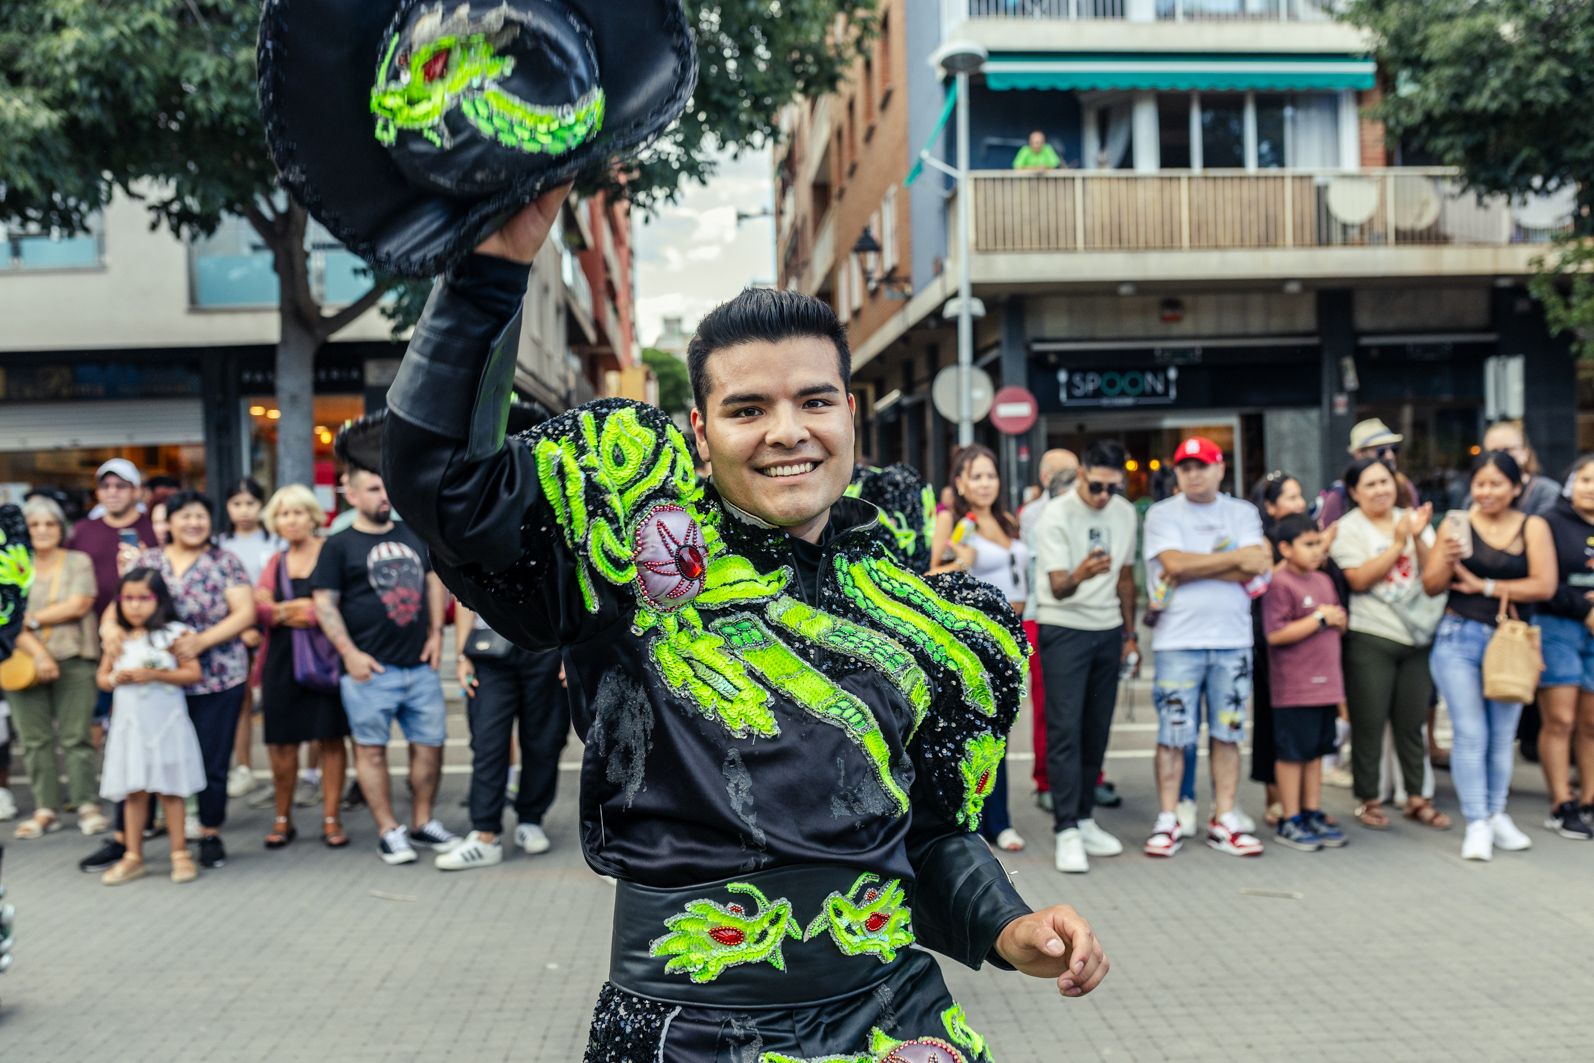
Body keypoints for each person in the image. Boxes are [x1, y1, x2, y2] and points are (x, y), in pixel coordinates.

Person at [380, 189, 1107, 1059]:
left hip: (896, 1020)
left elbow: (930, 832)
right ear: (700, 429)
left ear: (849, 412)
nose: (787, 432)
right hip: (692, 1036)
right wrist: (489, 267)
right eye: (748, 408)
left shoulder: (920, 611)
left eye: (814, 401)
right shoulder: (626, 551)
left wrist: (1009, 924)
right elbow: (444, 487)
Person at [311, 466, 457, 865]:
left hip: (418, 667)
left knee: (430, 747)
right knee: (371, 752)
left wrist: (435, 637)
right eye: (374, 489)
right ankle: (388, 830)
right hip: (369, 672)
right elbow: (324, 602)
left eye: (386, 488)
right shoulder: (338, 545)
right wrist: (349, 654)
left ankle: (422, 821)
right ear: (352, 496)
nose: (383, 496)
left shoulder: (412, 532)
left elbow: (432, 581)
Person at [102, 491, 255, 871]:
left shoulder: (225, 562)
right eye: (184, 516)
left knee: (210, 759)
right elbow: (120, 602)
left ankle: (208, 832)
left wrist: (203, 641)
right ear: (168, 522)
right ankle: (128, 840)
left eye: (201, 515)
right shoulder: (150, 561)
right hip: (156, 688)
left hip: (216, 676)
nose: (193, 523)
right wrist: (107, 629)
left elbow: (245, 612)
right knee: (145, 756)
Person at [1423, 451, 1556, 861]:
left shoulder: (1532, 526)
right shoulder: (1456, 523)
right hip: (1457, 637)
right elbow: (1430, 585)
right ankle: (1477, 820)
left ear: (1517, 487)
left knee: (1501, 737)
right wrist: (1446, 557)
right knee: (1470, 733)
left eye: (1497, 483)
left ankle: (1497, 813)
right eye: (1480, 483)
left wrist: (1483, 586)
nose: (1487, 492)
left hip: (1511, 643)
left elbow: (1544, 585)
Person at [1142, 436, 1269, 858]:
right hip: (1178, 639)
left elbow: (1257, 565)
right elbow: (1173, 566)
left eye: (1202, 465)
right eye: (1185, 467)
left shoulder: (1243, 512)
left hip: (1232, 640)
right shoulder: (1162, 514)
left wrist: (1192, 565)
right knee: (1173, 735)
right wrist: (1230, 561)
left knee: (1227, 732)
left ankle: (1225, 816)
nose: (1193, 474)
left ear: (1220, 469)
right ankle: (1167, 818)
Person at [1328, 458, 1448, 832]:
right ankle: (1368, 798)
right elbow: (1359, 579)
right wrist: (1398, 543)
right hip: (1371, 635)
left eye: (1385, 481)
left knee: (1411, 722)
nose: (1381, 490)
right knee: (1368, 720)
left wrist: (1416, 537)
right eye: (1370, 484)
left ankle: (1416, 796)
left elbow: (1433, 575)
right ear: (1353, 492)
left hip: (1417, 635)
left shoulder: (1412, 519)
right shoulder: (1347, 529)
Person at [1034, 441, 1137, 873]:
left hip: (1108, 629)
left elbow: (1127, 578)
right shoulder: (1055, 514)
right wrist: (1083, 572)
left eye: (1112, 489)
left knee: (1097, 729)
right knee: (1065, 729)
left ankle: (1086, 818)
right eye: (1096, 487)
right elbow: (1058, 586)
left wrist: (1131, 635)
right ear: (1081, 475)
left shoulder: (1125, 513)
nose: (1103, 497)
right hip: (1064, 626)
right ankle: (1066, 829)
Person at [929, 443, 1030, 854]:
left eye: (991, 475)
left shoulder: (1006, 521)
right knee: (983, 734)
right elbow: (933, 573)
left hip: (1018, 638)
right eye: (976, 476)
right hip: (978, 642)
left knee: (1005, 731)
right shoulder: (959, 523)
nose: (985, 483)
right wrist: (961, 562)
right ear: (960, 483)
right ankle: (986, 821)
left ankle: (998, 818)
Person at [94, 568, 206, 885]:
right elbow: (102, 678)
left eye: (144, 598)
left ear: (159, 600)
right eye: (128, 598)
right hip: (131, 727)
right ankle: (133, 855)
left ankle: (179, 852)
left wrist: (156, 675)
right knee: (134, 791)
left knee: (170, 789)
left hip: (166, 723)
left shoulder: (173, 634)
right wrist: (117, 678)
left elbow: (192, 672)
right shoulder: (117, 638)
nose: (135, 606)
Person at [437, 606, 570, 870]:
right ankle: (485, 834)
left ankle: (530, 821)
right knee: (488, 741)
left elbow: (571, 588)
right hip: (489, 648)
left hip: (547, 646)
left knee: (545, 741)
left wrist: (573, 651)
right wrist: (463, 654)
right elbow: (463, 594)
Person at [255, 485, 350, 849]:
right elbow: (260, 607)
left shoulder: (330, 552)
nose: (290, 520)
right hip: (280, 660)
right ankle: (282, 818)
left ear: (313, 516)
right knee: (281, 743)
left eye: (297, 512)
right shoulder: (275, 562)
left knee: (330, 738)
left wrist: (286, 610)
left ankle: (331, 818)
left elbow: (330, 607)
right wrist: (297, 609)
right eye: (283, 514)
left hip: (325, 658)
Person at [9, 496, 107, 839]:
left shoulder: (77, 560)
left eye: (50, 524)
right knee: (35, 741)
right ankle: (45, 808)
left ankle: (85, 804)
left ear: (60, 527)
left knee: (76, 736)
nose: (42, 531)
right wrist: (38, 653)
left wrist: (31, 619)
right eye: (34, 525)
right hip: (21, 661)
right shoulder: (10, 564)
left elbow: (80, 604)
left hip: (75, 658)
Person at [1262, 514, 1350, 852]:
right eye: (1309, 544)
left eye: (1319, 543)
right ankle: (1290, 816)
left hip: (1326, 685)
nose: (1317, 551)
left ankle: (1312, 811)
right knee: (1292, 754)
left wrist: (1335, 621)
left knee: (1316, 753)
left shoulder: (1324, 580)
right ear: (1285, 548)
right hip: (1294, 688)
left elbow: (1338, 622)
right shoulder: (1279, 582)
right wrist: (1319, 618)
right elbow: (1275, 633)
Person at [67, 459, 158, 765]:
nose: (113, 492)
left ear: (136, 491)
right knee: (94, 713)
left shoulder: (153, 528)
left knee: (143, 715)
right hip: (94, 636)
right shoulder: (83, 530)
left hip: (145, 637)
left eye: (121, 486)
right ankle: (100, 780)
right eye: (106, 486)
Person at [1526, 455, 1594, 839]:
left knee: (1591, 723)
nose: (1591, 487)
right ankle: (1560, 802)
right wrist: (1585, 609)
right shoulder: (1550, 522)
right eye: (1585, 479)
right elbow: (1545, 583)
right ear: (1571, 482)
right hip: (1558, 627)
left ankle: (1589, 799)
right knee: (1561, 720)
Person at [1020, 448, 1078, 811]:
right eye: (1065, 473)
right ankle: (1046, 779)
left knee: (1084, 703)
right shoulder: (1032, 515)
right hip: (1042, 614)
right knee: (1048, 704)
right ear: (1045, 477)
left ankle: (1090, 777)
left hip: (1083, 615)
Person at [219, 478, 279, 801]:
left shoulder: (275, 541)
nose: (244, 511)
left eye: (250, 503)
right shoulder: (220, 544)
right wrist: (240, 626)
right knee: (241, 701)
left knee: (273, 701)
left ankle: (278, 771)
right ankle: (243, 768)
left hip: (273, 629)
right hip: (234, 631)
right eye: (237, 504)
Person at [1316, 418, 1419, 528]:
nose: (1389, 456)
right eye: (1381, 451)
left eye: (1393, 449)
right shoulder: (1339, 494)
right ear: (1359, 454)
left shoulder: (1404, 485)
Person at [1481, 420, 1559, 517]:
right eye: (1494, 451)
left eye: (1508, 449)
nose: (1501, 456)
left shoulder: (1547, 491)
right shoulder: (1479, 495)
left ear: (1525, 452)